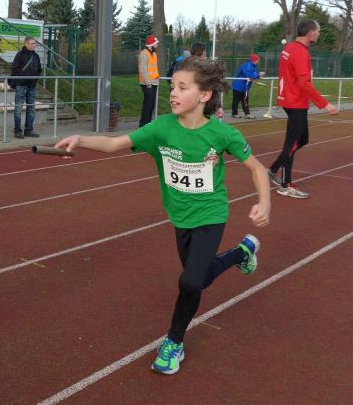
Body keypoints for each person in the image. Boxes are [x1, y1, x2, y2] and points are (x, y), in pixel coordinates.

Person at [56, 56, 270, 375]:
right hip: (180, 216)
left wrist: (264, 203)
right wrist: (80, 139)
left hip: (211, 214)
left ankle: (174, 342)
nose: (173, 93)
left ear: (204, 95)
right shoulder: (162, 128)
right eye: (172, 87)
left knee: (190, 281)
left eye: (182, 87)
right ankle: (242, 253)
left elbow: (257, 168)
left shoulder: (222, 134)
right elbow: (114, 144)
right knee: (199, 278)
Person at [268, 19, 338, 198]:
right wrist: (325, 104)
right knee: (292, 144)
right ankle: (286, 185)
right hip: (295, 102)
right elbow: (304, 83)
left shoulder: (290, 48)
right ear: (311, 33)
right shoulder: (300, 52)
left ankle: (273, 169)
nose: (319, 34)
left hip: (290, 100)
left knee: (302, 139)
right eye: (318, 31)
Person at [10, 36, 41, 138]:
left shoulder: (36, 56)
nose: (34, 45)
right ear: (26, 44)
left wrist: (34, 80)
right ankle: (17, 131)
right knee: (18, 108)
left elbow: (39, 70)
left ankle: (29, 130)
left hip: (32, 86)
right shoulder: (20, 55)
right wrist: (23, 78)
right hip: (21, 85)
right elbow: (14, 69)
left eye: (35, 43)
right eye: (32, 43)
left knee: (31, 108)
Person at [231, 54, 264, 119]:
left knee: (245, 100)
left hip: (245, 87)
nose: (258, 61)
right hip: (238, 86)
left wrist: (259, 76)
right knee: (236, 100)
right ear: (254, 60)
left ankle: (247, 114)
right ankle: (234, 114)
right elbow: (248, 74)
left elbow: (254, 75)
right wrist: (258, 75)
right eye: (258, 60)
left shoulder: (254, 67)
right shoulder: (247, 65)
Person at [138, 34, 160, 127]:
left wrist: (155, 82)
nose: (157, 45)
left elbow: (153, 69)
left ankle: (148, 123)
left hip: (154, 82)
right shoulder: (144, 54)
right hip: (147, 83)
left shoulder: (154, 54)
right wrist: (148, 84)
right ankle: (143, 123)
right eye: (156, 44)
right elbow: (143, 70)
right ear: (151, 45)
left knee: (151, 104)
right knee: (147, 104)